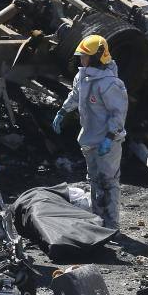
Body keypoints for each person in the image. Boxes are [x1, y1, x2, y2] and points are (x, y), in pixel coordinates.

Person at [52, 35, 128, 229]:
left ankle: (111, 226)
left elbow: (118, 114)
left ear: (97, 57)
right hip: (90, 138)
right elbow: (75, 94)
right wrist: (63, 110)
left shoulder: (110, 83)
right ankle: (99, 221)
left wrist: (110, 138)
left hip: (107, 142)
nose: (81, 60)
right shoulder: (83, 77)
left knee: (109, 182)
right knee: (94, 180)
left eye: (85, 56)